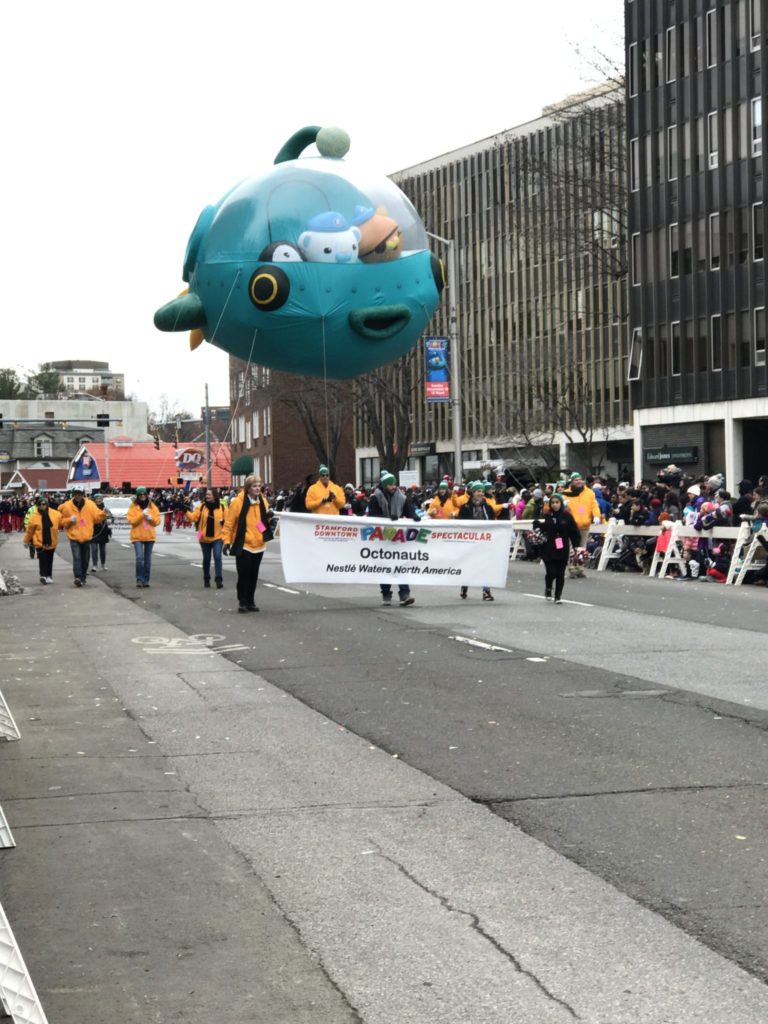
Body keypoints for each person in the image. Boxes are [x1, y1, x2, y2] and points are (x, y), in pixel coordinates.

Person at [222, 475, 274, 612]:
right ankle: (242, 601)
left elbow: (261, 524)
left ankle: (251, 601)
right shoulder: (237, 502)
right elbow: (229, 523)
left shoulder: (262, 500)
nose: (257, 488)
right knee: (244, 574)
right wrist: (226, 542)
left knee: (253, 575)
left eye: (259, 486)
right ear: (248, 488)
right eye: (254, 486)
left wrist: (268, 519)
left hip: (259, 544)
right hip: (244, 543)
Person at [366, 470, 418, 607]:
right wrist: (387, 519)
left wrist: (414, 516)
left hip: (398, 536)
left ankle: (404, 594)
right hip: (382, 535)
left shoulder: (401, 497)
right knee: (385, 565)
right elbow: (373, 516)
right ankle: (386, 593)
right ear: (384, 485)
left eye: (394, 484)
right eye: (390, 484)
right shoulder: (374, 497)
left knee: (402, 564)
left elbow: (408, 509)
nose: (393, 487)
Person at [535, 493, 582, 604]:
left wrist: (576, 546)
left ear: (561, 503)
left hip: (562, 547)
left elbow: (574, 532)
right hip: (548, 547)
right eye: (553, 503)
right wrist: (536, 525)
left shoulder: (567, 516)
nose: (555, 505)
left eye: (557, 502)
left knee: (560, 573)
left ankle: (558, 596)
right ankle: (548, 588)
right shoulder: (546, 516)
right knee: (551, 572)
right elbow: (540, 529)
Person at [58, 485, 107, 587]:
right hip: (74, 536)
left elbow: (97, 518)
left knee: (85, 558)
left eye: (80, 493)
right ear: (73, 494)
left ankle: (83, 577)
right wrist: (69, 520)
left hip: (87, 536)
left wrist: (104, 514)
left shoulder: (90, 504)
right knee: (77, 557)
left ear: (83, 494)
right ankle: (77, 577)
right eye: (76, 493)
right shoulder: (67, 506)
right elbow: (61, 521)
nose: (78, 495)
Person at [457, 481, 496, 601]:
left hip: (484, 541)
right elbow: (461, 525)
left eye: (482, 491)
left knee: (485, 565)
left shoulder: (488, 507)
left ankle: (486, 591)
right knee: (469, 565)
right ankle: (464, 585)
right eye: (478, 491)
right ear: (473, 492)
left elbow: (493, 522)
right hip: (470, 541)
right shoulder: (465, 507)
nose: (481, 493)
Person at [561, 472, 602, 577]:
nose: (579, 481)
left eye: (580, 479)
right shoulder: (565, 494)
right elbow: (557, 508)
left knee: (582, 549)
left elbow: (594, 505)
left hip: (584, 525)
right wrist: (563, 506)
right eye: (576, 480)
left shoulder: (589, 493)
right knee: (572, 549)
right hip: (570, 526)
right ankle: (572, 569)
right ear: (572, 482)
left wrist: (596, 516)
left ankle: (579, 569)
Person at [186, 487, 226, 588]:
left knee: (217, 556)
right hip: (204, 538)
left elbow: (228, 522)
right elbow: (194, 518)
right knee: (207, 559)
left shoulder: (222, 507)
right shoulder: (202, 507)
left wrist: (227, 534)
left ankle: (218, 579)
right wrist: (185, 510)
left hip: (218, 537)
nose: (207, 496)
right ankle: (206, 578)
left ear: (214, 496)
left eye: (209, 494)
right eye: (206, 494)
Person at [126, 486, 161, 588]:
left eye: (144, 494)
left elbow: (157, 521)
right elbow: (132, 521)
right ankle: (139, 579)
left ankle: (146, 579)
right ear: (137, 495)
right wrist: (142, 514)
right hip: (137, 536)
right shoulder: (133, 507)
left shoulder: (152, 506)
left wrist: (150, 518)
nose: (142, 496)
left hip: (149, 536)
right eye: (140, 494)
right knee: (139, 558)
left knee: (147, 560)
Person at [23, 494, 61, 584]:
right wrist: (26, 541)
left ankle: (49, 575)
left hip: (52, 540)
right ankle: (43, 575)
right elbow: (30, 531)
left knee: (49, 559)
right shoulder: (34, 516)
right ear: (38, 505)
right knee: (42, 559)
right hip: (40, 541)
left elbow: (63, 521)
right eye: (40, 504)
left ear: (47, 504)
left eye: (44, 504)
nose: (42, 506)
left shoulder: (55, 514)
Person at [90, 493, 112, 572]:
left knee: (102, 550)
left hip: (103, 531)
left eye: (100, 499)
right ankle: (94, 565)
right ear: (94, 500)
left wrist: (109, 520)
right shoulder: (91, 508)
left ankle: (103, 564)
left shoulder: (105, 508)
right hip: (94, 531)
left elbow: (110, 517)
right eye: (97, 499)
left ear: (102, 500)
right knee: (94, 549)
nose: (98, 500)